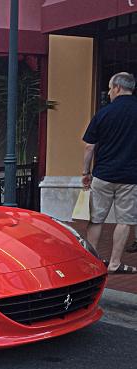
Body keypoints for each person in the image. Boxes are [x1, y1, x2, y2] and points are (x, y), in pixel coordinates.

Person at [82, 72, 137, 274]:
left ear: (117, 88)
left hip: (103, 175)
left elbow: (89, 146)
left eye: (110, 88)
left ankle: (91, 261)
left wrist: (85, 172)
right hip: (131, 178)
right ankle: (114, 263)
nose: (109, 93)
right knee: (125, 221)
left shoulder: (104, 113)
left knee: (96, 219)